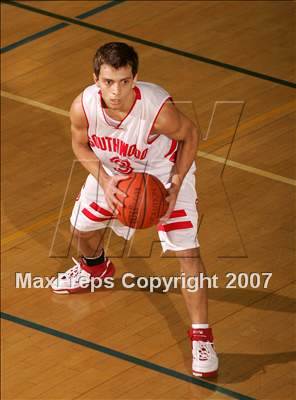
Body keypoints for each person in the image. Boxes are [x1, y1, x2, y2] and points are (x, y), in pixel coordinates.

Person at [51, 42, 218, 378]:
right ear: (95, 78)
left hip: (162, 174)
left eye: (124, 81)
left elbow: (191, 135)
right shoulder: (82, 106)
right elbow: (79, 144)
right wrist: (105, 179)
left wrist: (176, 183)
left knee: (187, 252)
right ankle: (95, 269)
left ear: (135, 78)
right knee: (81, 230)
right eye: (109, 81)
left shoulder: (157, 110)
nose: (116, 91)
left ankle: (202, 336)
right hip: (115, 174)